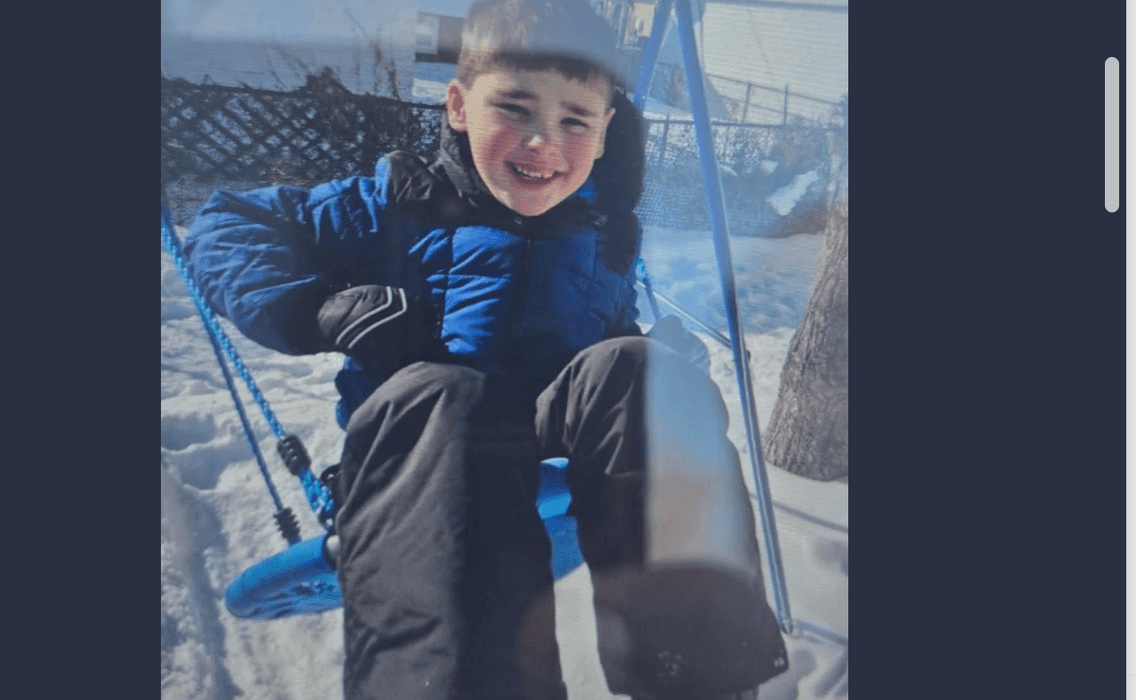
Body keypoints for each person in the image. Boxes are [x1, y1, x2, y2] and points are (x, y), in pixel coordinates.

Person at [183, 1, 787, 698]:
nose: (542, 143)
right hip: (426, 448)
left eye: (573, 120)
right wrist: (317, 309)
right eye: (515, 109)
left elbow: (600, 354)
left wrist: (645, 354)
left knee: (642, 374)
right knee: (444, 394)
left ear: (603, 132)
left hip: (546, 441)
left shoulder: (601, 231)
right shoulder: (392, 202)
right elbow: (226, 225)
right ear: (460, 106)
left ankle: (698, 673)